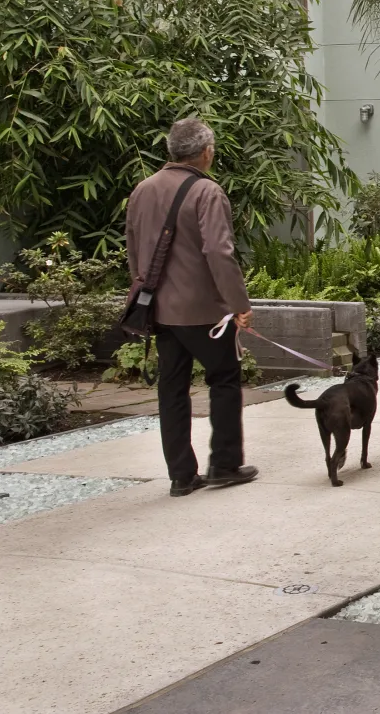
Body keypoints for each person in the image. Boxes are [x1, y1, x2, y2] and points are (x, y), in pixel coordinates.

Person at [125, 118, 259, 497]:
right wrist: (239, 305)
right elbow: (219, 251)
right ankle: (225, 464)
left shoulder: (142, 189)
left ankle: (182, 476)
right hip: (204, 312)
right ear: (206, 152)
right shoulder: (207, 192)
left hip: (158, 310)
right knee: (225, 378)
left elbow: (134, 249)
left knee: (172, 388)